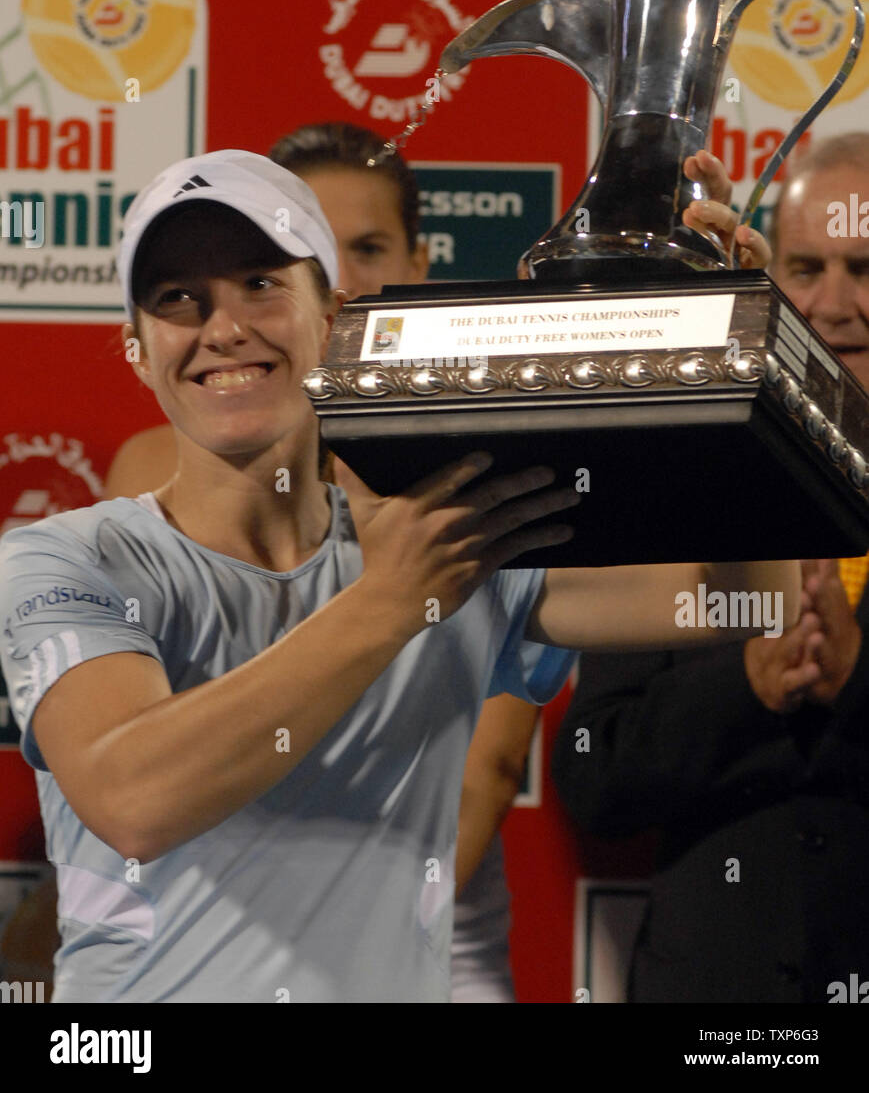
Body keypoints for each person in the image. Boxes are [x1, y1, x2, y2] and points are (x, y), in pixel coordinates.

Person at [0, 146, 796, 1003]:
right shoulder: (63, 557)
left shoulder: (452, 537)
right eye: (176, 299)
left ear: (335, 313)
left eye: (261, 283)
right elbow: (133, 802)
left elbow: (745, 599)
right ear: (135, 348)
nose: (222, 328)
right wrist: (390, 599)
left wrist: (739, 347)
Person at [103, 120, 539, 1003]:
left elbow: (484, 774)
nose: (231, 324)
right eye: (194, 293)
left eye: (367, 249)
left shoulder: (474, 491)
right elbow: (134, 794)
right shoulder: (136, 496)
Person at [552, 132, 869, 1005]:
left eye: (865, 268)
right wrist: (746, 685)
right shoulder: (682, 479)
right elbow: (591, 775)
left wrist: (855, 681)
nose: (834, 304)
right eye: (804, 266)